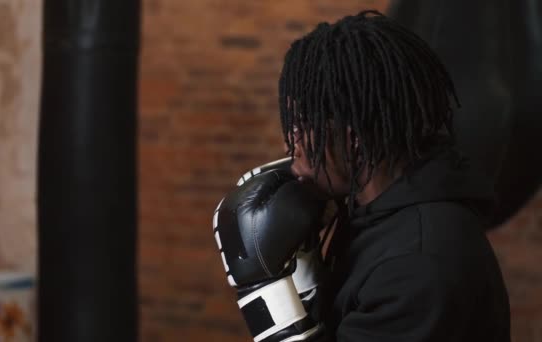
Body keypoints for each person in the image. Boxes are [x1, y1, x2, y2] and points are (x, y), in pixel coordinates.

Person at [213, 10, 511, 342]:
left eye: (299, 127)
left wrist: (266, 293)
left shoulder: (415, 266)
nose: (290, 144)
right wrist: (303, 272)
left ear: (353, 138)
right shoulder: (374, 215)